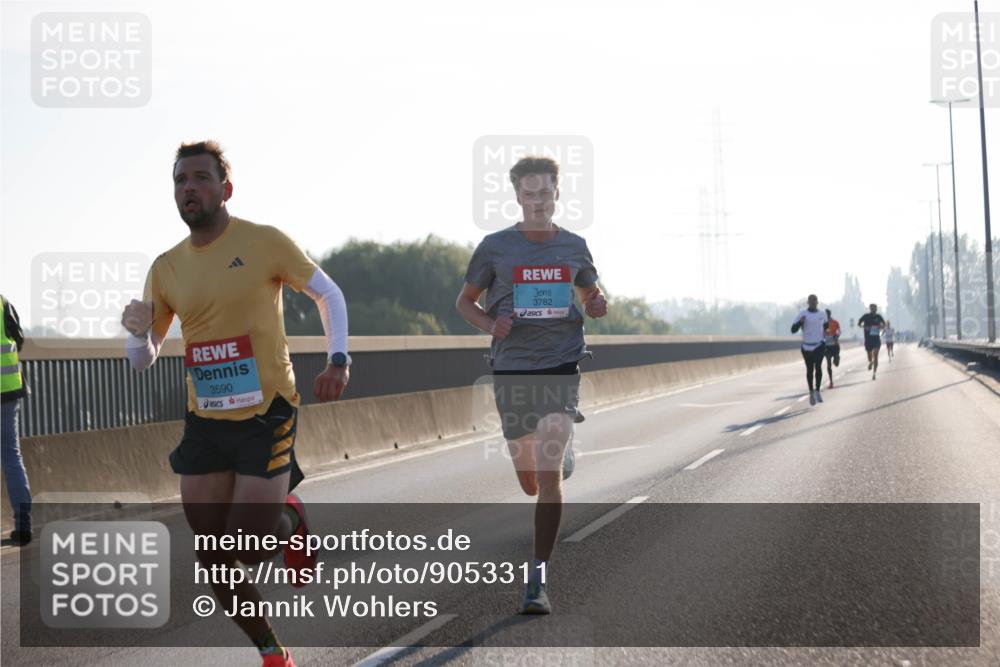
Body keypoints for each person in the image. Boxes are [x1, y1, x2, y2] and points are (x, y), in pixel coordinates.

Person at [121, 141, 350, 667]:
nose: (189, 189)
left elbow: (328, 294)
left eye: (200, 178)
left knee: (245, 546)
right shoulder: (167, 267)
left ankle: (290, 520)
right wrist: (136, 334)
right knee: (212, 557)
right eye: (180, 181)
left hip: (267, 410)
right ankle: (273, 654)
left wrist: (338, 360)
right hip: (206, 419)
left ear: (225, 189)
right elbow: (143, 359)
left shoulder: (264, 241)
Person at [456, 156, 607, 615]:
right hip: (512, 370)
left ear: (557, 195)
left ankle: (537, 578)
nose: (538, 202)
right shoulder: (495, 247)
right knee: (529, 481)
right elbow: (464, 302)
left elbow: (593, 296)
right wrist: (490, 324)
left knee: (548, 464)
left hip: (561, 365)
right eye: (530, 194)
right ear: (518, 196)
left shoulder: (575, 247)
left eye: (546, 193)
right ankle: (555, 462)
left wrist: (598, 302)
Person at [1, 295, 31, 545]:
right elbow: (18, 339)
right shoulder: (3, 303)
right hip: (9, 389)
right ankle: (23, 526)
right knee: (12, 456)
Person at [791, 295, 828, 405]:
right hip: (806, 346)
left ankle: (817, 390)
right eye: (810, 301)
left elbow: (826, 326)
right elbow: (793, 330)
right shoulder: (802, 314)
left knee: (818, 367)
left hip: (819, 345)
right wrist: (800, 323)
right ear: (808, 302)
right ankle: (811, 391)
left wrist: (826, 331)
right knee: (810, 369)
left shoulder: (822, 314)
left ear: (817, 302)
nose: (812, 302)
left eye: (814, 300)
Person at [858, 303, 886, 380]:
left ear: (876, 309)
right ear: (870, 309)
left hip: (876, 339)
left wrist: (881, 327)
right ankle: (871, 362)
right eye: (872, 308)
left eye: (875, 308)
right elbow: (859, 323)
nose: (873, 309)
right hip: (868, 339)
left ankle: (874, 373)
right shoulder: (866, 316)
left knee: (876, 355)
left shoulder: (878, 317)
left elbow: (884, 325)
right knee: (870, 356)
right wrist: (864, 327)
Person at [823, 308, 841, 389]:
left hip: (835, 345)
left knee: (836, 364)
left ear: (830, 314)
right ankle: (831, 382)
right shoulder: (822, 323)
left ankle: (837, 357)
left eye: (827, 314)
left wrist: (836, 336)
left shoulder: (835, 322)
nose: (826, 316)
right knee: (829, 364)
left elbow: (839, 331)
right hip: (827, 346)